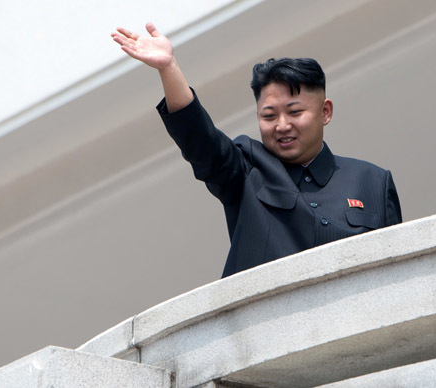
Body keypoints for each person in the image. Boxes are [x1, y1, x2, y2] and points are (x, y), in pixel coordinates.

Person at [111, 23, 402, 278]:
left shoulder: (373, 181)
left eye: (295, 111)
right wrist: (168, 68)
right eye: (269, 116)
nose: (282, 125)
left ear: (325, 112)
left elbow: (400, 270)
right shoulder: (247, 169)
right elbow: (201, 141)